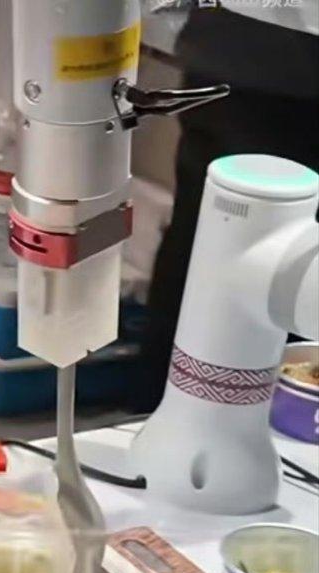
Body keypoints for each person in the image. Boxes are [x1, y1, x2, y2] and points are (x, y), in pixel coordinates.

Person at [135, 0, 319, 409]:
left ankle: (156, 410)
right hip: (287, 63)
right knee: (277, 262)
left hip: (230, 41)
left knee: (205, 238)